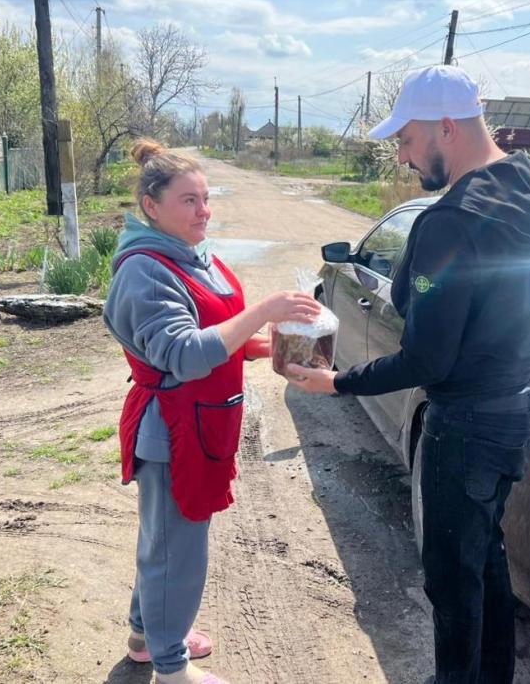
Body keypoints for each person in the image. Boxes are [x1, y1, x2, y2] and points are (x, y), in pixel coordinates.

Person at [287, 65, 530, 684]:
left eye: (407, 140)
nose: (403, 156)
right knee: (486, 556)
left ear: (446, 128)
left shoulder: (448, 221)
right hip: (520, 406)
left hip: (466, 425)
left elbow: (426, 360)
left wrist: (336, 382)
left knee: (452, 582)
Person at [104, 139, 321, 684]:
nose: (204, 211)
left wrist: (262, 343)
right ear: (151, 207)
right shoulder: (145, 270)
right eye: (188, 201)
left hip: (204, 423)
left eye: (205, 199)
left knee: (163, 543)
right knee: (176, 554)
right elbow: (181, 352)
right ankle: (172, 668)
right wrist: (264, 310)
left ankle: (145, 640)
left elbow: (213, 332)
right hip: (172, 431)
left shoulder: (196, 255)